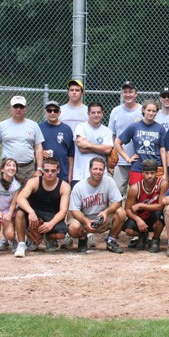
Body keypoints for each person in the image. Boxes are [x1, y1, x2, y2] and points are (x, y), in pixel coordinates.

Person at [63, 101, 114, 250]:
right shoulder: (81, 127)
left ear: (103, 114)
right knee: (74, 205)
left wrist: (89, 145)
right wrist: (100, 149)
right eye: (93, 112)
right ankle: (69, 234)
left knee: (95, 203)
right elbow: (81, 146)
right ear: (88, 114)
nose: (96, 115)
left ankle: (89, 233)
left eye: (99, 112)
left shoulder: (106, 131)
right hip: (80, 172)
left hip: (99, 173)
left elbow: (108, 149)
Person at [14, 158, 71, 257]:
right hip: (34, 214)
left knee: (61, 234)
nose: (49, 173)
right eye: (46, 170)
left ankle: (47, 237)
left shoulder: (64, 186)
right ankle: (22, 244)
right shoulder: (34, 182)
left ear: (58, 171)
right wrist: (31, 212)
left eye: (53, 171)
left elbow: (63, 210)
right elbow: (20, 198)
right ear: (42, 171)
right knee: (20, 213)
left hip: (52, 215)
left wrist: (51, 224)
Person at [68, 157, 126, 253]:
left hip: (102, 218)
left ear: (104, 170)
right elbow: (74, 210)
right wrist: (86, 221)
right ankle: (82, 239)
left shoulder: (109, 181)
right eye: (95, 169)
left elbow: (117, 201)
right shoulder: (79, 187)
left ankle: (111, 240)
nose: (98, 172)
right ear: (89, 170)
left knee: (121, 212)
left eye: (101, 169)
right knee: (73, 227)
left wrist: (106, 212)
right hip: (84, 219)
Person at [0, 95, 44, 184]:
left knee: (28, 195)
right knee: (6, 195)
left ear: (26, 108)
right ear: (10, 108)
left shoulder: (34, 125)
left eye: (21, 107)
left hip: (28, 168)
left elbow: (38, 148)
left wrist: (39, 169)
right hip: (8, 167)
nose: (18, 109)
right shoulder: (1, 125)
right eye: (15, 106)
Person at [114, 99, 167, 185]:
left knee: (155, 197)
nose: (151, 113)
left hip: (155, 169)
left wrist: (165, 172)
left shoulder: (160, 128)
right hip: (138, 168)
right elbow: (117, 142)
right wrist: (128, 158)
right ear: (143, 110)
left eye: (154, 111)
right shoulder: (134, 126)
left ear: (156, 112)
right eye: (148, 110)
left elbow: (162, 150)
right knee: (136, 194)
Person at [122, 159, 168, 253]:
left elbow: (161, 206)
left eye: (152, 173)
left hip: (154, 216)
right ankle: (143, 235)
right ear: (142, 173)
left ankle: (155, 239)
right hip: (140, 216)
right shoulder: (135, 188)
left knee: (161, 216)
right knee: (128, 230)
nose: (150, 176)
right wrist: (138, 220)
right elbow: (127, 209)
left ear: (157, 173)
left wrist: (140, 205)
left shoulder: (162, 184)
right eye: (147, 173)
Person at [108, 80, 143, 195]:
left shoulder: (142, 111)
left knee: (138, 194)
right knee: (116, 194)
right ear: (122, 94)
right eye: (125, 92)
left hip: (139, 161)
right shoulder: (115, 111)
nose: (128, 95)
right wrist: (112, 159)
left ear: (136, 94)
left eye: (131, 92)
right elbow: (112, 135)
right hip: (120, 161)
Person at [39, 101, 75, 183]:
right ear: (45, 112)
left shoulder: (67, 129)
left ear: (59, 113)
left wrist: (70, 175)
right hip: (44, 173)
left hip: (62, 173)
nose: (52, 113)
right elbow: (33, 148)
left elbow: (71, 155)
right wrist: (41, 152)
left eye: (55, 110)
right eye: (49, 110)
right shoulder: (39, 128)